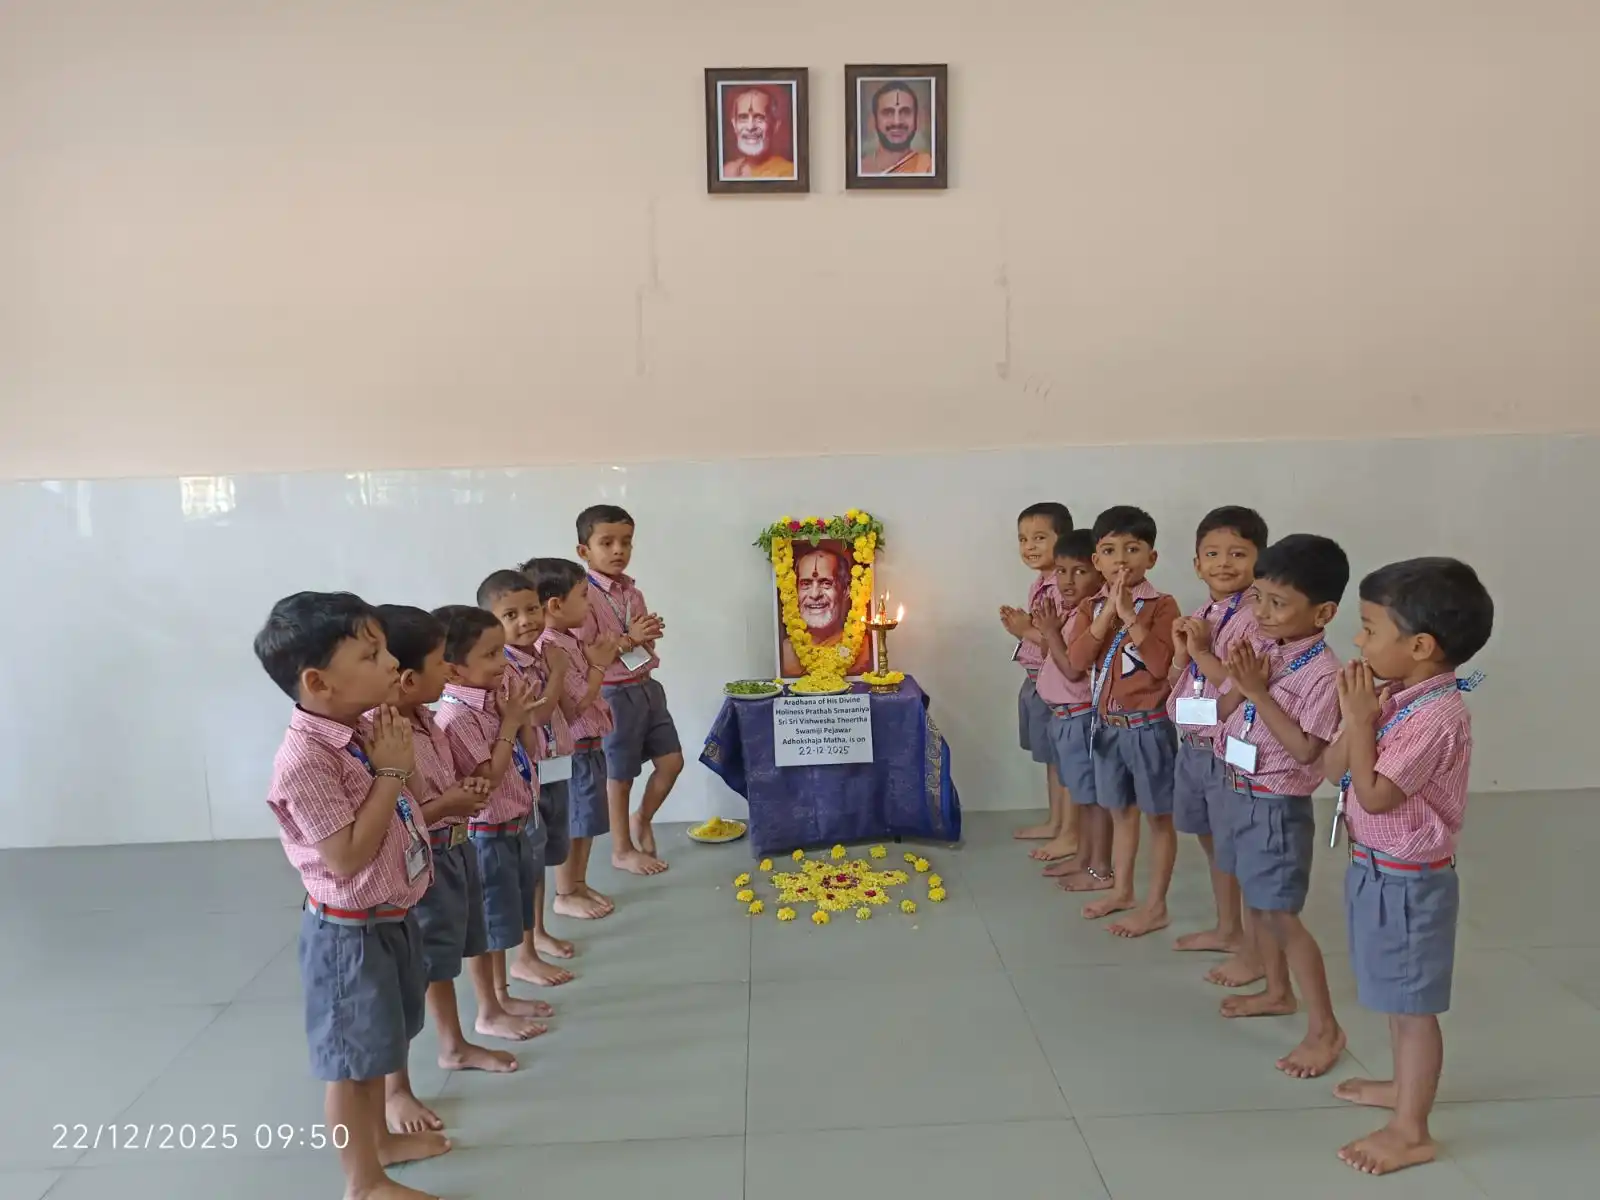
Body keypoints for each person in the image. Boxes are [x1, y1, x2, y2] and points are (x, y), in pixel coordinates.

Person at [256, 591, 449, 1200]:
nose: (391, 663)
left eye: (385, 649)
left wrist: (398, 762)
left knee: (381, 1045)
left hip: (389, 917)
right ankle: (362, 1182)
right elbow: (345, 856)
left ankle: (381, 1144)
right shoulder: (305, 761)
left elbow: (413, 790)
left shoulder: (363, 726)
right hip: (349, 935)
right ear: (318, 682)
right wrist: (389, 772)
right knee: (351, 1066)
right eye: (370, 655)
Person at [1324, 558, 1493, 1176]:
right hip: (1376, 869)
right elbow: (1331, 770)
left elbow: (1374, 795)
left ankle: (1412, 1130)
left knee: (1414, 1007)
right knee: (1395, 995)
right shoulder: (1394, 696)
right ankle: (1403, 1087)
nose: (1358, 641)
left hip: (1409, 882)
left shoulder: (1436, 717)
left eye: (1370, 629)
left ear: (1420, 646)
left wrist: (1359, 721)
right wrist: (1356, 719)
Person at [1206, 535, 1348, 1082]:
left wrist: (1258, 693)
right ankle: (1276, 990)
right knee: (1258, 904)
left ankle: (1325, 1029)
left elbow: (1307, 750)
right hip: (1239, 789)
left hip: (1276, 806)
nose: (1262, 613)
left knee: (1282, 916)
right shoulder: (1264, 647)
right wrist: (1240, 685)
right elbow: (1221, 711)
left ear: (1323, 613)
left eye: (1278, 603)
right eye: (1258, 599)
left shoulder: (1324, 674)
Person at [371, 605, 515, 1138]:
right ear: (409, 678)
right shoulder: (382, 735)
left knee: (442, 961)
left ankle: (453, 1043)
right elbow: (396, 818)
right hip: (416, 864)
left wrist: (462, 793)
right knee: (414, 975)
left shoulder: (425, 719)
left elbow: (441, 789)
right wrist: (448, 804)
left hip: (450, 850)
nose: (450, 672)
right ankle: (396, 1088)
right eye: (441, 663)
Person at [430, 605, 553, 1042]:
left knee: (503, 921)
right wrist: (510, 724)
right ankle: (488, 1008)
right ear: (453, 669)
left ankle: (501, 996)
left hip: (514, 826)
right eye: (490, 655)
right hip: (487, 835)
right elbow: (488, 780)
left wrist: (518, 719)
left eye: (501, 651)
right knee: (486, 928)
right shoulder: (458, 716)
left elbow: (530, 750)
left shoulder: (494, 700)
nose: (502, 662)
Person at [1065, 506, 1182, 936]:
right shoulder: (1090, 606)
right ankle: (1123, 891)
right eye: (1110, 551)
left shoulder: (1162, 606)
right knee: (1121, 813)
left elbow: (1160, 667)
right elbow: (1076, 662)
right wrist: (1106, 614)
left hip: (1148, 727)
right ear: (1096, 560)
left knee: (1159, 817)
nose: (1121, 560)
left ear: (1151, 557)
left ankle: (1156, 906)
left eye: (1133, 549)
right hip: (1108, 727)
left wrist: (1130, 616)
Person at [1167, 506, 1268, 980]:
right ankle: (1228, 928)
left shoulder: (1255, 618)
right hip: (1194, 743)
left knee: (1237, 849)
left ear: (1260, 561)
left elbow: (1239, 684)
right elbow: (1183, 674)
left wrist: (1202, 651)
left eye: (1237, 553)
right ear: (1196, 564)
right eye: (1212, 554)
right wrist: (1181, 653)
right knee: (1213, 846)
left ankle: (1256, 950)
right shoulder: (1203, 612)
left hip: (1227, 749)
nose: (1223, 563)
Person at [480, 570, 578, 988]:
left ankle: (535, 935)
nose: (526, 621)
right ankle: (524, 955)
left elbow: (564, 711)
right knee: (526, 866)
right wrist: (557, 673)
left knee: (536, 861)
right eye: (511, 615)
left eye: (532, 609)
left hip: (549, 768)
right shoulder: (504, 670)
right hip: (523, 779)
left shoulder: (539, 655)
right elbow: (536, 717)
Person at [574, 504, 684, 874]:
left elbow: (636, 638)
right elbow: (587, 653)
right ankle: (621, 850)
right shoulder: (583, 597)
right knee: (619, 776)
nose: (618, 550)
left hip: (646, 685)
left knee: (671, 762)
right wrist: (629, 639)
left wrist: (647, 634)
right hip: (612, 694)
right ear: (584, 551)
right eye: (607, 543)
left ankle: (642, 817)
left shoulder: (630, 592)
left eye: (626, 542)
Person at [526, 557, 625, 919]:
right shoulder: (550, 647)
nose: (589, 604)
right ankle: (566, 892)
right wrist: (598, 665)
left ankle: (578, 884)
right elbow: (576, 706)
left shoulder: (567, 639)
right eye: (584, 596)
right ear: (555, 605)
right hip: (575, 748)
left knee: (588, 820)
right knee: (576, 822)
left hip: (590, 745)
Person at [1031, 530, 1112, 892]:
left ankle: (1100, 869)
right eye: (1061, 571)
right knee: (1081, 795)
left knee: (1093, 799)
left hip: (1081, 717)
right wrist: (1049, 630)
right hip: (1063, 717)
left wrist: (1050, 632)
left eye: (1079, 571)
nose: (1067, 580)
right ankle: (1083, 857)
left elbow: (1073, 670)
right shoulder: (1071, 612)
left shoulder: (1091, 614)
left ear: (1098, 570)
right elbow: (1051, 658)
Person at [999, 502, 1077, 861]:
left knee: (1066, 761)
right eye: (1023, 539)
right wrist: (1023, 626)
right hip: (1037, 679)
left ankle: (1071, 832)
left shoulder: (1064, 587)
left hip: (1060, 683)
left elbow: (1062, 643)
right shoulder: (1040, 584)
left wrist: (1024, 630)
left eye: (1039, 538)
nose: (1029, 546)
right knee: (1051, 758)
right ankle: (1056, 822)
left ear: (1063, 539)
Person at [859, 80, 935, 176]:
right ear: (873, 120)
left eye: (905, 112)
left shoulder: (929, 167)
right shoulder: (861, 168)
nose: (897, 122)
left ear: (917, 119)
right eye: (888, 113)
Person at [722, 85, 795, 179]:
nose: (750, 127)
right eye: (743, 118)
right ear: (734, 125)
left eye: (759, 118)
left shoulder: (788, 173)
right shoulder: (727, 171)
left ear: (775, 126)